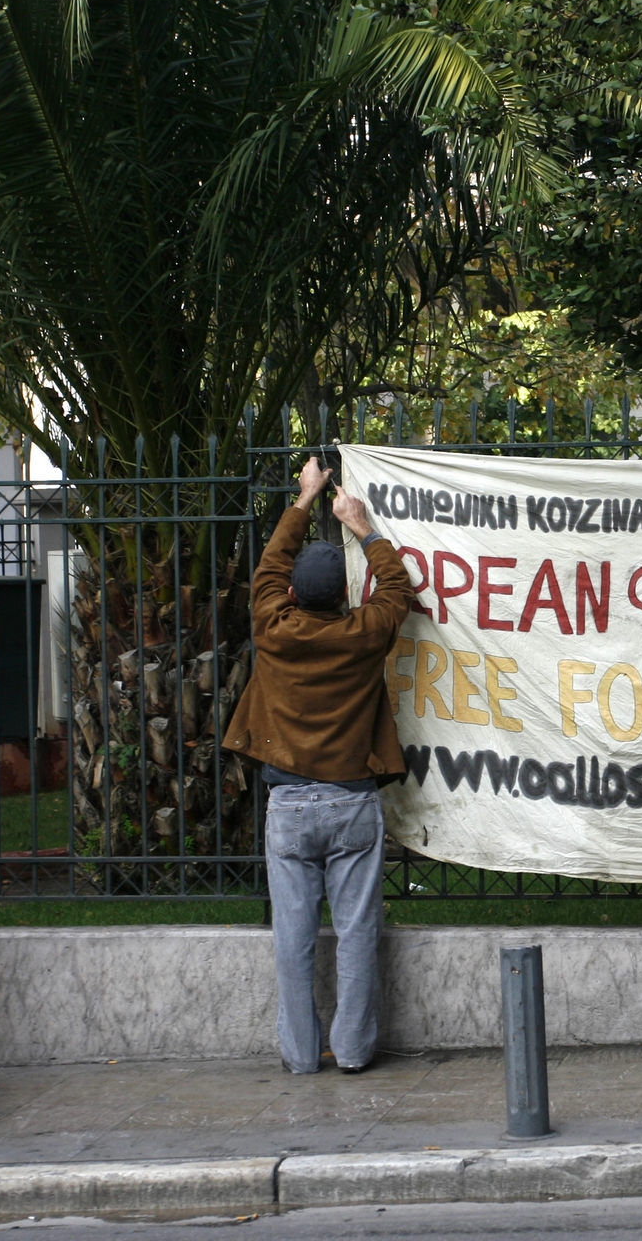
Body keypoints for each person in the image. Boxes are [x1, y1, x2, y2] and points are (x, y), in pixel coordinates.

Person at [222, 457, 411, 1076]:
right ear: (346, 594)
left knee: (292, 940)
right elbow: (399, 588)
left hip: (289, 805)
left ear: (295, 594)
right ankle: (353, 1051)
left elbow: (270, 567)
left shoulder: (273, 626)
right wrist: (362, 526)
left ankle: (302, 1056)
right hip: (353, 802)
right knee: (357, 934)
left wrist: (304, 499)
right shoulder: (364, 631)